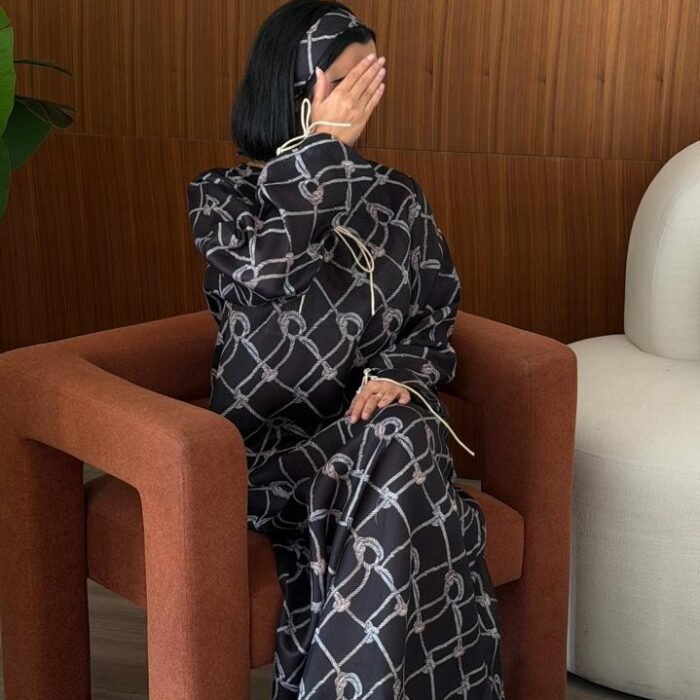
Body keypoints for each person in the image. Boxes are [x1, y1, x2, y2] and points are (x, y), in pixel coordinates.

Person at [186, 1, 504, 697]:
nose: (361, 99)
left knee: (405, 431)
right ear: (293, 88)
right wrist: (324, 153)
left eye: (371, 80)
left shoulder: (396, 198)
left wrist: (400, 375)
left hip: (372, 437)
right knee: (408, 454)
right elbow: (271, 271)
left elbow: (433, 312)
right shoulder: (223, 199)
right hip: (271, 459)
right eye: (343, 81)